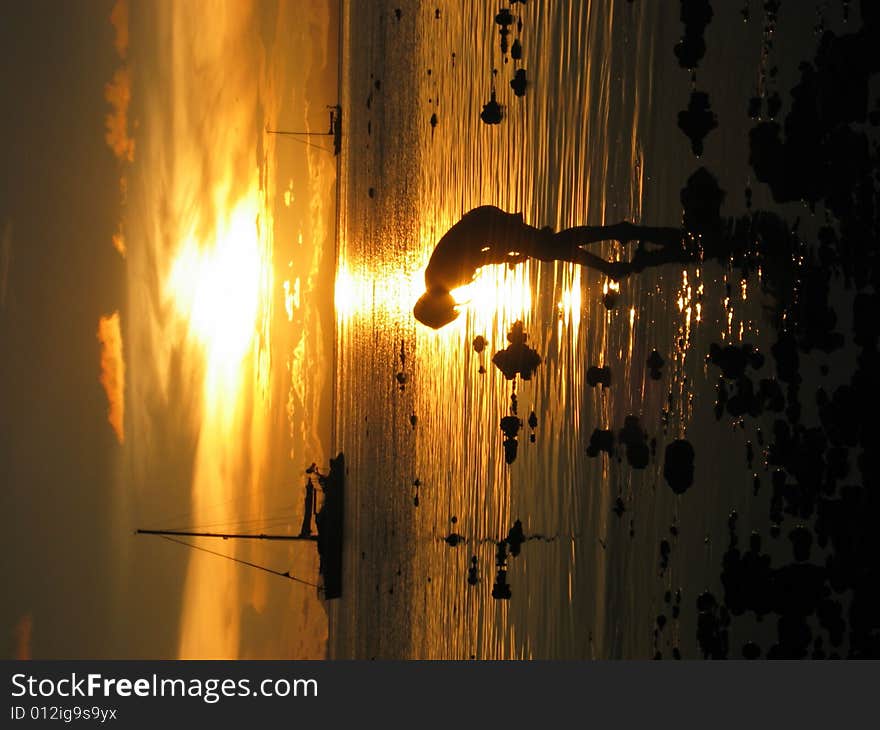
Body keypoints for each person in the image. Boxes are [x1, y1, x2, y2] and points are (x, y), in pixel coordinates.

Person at [413, 205, 681, 329]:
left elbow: (477, 255)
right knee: (550, 247)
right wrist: (508, 254)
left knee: (549, 248)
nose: (452, 306)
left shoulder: (439, 279)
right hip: (486, 227)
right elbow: (477, 256)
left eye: (446, 312)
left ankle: (615, 240)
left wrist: (507, 255)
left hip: (486, 225)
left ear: (435, 307)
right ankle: (611, 253)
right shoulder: (438, 283)